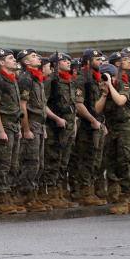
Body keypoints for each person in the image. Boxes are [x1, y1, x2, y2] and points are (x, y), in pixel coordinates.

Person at [41, 52, 79, 209]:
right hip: (55, 127)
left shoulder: (68, 81)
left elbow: (72, 105)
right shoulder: (51, 81)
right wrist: (56, 118)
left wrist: (74, 123)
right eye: (64, 60)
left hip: (68, 126)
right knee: (53, 160)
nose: (68, 62)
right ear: (55, 64)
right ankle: (51, 193)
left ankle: (60, 192)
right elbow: (43, 104)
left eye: (69, 60)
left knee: (64, 161)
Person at [0, 49, 24, 215]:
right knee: (2, 164)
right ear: (2, 62)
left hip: (14, 126)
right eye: (10, 58)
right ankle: (2, 199)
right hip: (5, 126)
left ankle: (9, 195)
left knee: (13, 164)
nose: (14, 60)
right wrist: (1, 129)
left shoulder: (12, 79)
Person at [99, 53, 130, 213]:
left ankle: (126, 198)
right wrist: (104, 92)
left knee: (125, 162)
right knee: (112, 162)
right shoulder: (103, 89)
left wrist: (112, 86)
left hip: (126, 128)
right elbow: (97, 109)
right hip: (112, 129)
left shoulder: (123, 84)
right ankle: (118, 196)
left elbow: (121, 101)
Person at [72, 49, 107, 206]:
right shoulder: (82, 79)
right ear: (87, 61)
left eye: (100, 58)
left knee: (95, 159)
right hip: (86, 126)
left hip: (97, 124)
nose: (99, 61)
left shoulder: (95, 79)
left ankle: (90, 191)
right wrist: (93, 120)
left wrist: (101, 122)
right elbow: (79, 104)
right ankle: (85, 193)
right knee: (86, 158)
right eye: (96, 58)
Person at [16, 49, 49, 212]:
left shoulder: (37, 78)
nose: (38, 58)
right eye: (34, 56)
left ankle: (33, 195)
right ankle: (25, 196)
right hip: (32, 124)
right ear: (26, 62)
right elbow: (23, 106)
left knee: (39, 163)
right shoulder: (26, 78)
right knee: (31, 162)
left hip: (39, 124)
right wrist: (26, 129)